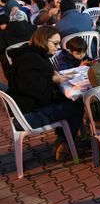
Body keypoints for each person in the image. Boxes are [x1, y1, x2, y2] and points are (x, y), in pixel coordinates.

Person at [7, 26, 84, 160]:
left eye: (59, 44)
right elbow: (36, 89)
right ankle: (65, 146)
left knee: (69, 101)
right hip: (27, 116)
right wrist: (53, 80)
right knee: (76, 105)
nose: (58, 47)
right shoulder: (30, 59)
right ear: (43, 40)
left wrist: (52, 80)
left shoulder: (31, 54)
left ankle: (64, 141)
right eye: (55, 43)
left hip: (27, 109)